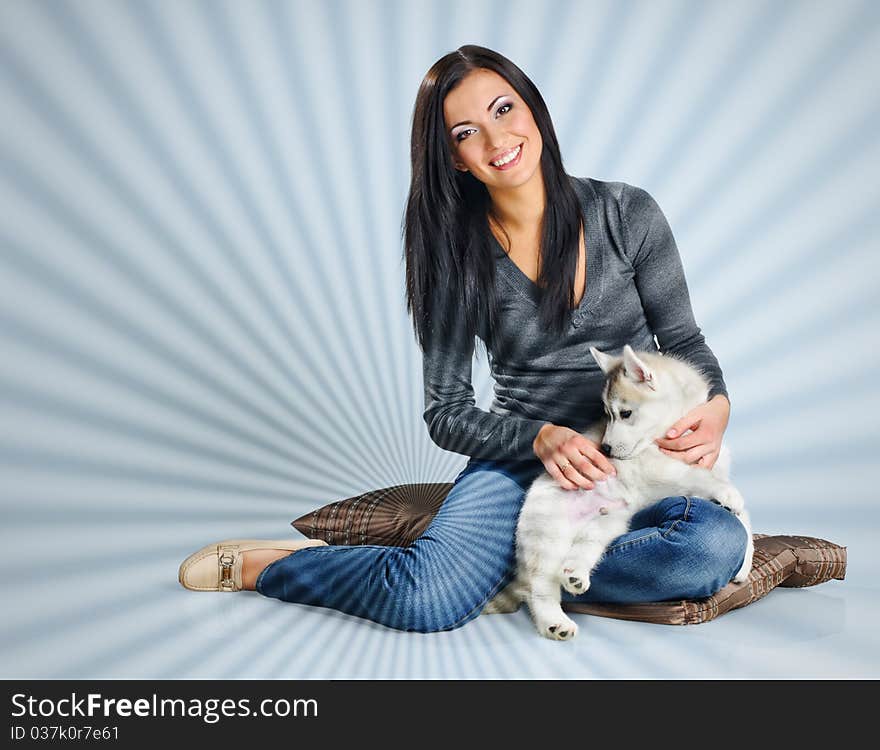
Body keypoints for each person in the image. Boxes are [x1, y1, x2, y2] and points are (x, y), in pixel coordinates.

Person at [178, 45, 748, 632]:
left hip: (633, 459)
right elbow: (446, 412)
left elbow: (683, 341)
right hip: (519, 462)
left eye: (504, 110)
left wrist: (718, 407)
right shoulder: (459, 259)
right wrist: (539, 438)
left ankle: (510, 570)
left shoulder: (627, 214)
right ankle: (275, 567)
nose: (497, 140)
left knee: (707, 550)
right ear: (453, 159)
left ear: (534, 109)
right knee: (423, 600)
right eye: (466, 133)